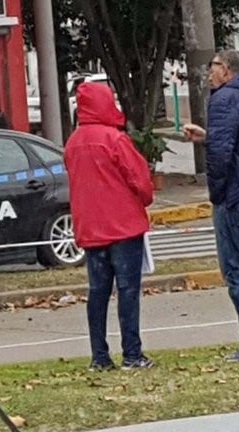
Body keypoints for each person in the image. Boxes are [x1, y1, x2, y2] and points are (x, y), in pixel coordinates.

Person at [64, 82, 154, 371]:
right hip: (123, 225)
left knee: (98, 292)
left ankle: (99, 356)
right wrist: (144, 199)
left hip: (91, 227)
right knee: (128, 290)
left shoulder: (74, 142)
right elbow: (140, 180)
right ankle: (132, 353)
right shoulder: (115, 140)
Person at [184, 50, 239, 363]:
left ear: (226, 70)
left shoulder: (224, 99)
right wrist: (209, 137)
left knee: (238, 270)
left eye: (212, 66)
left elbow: (222, 155)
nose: (209, 73)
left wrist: (217, 194)